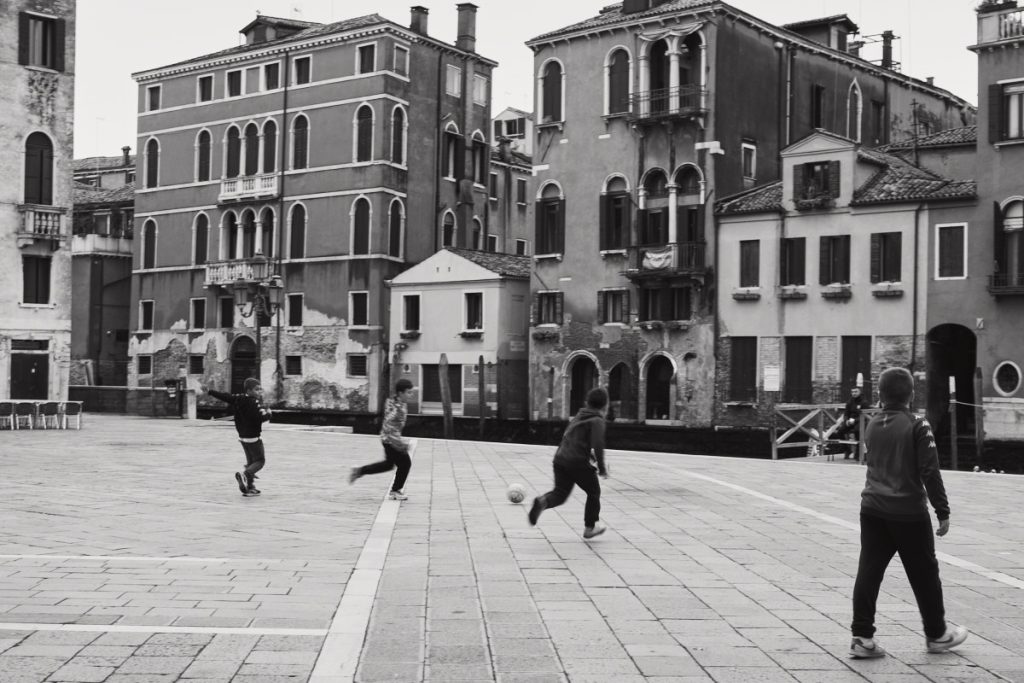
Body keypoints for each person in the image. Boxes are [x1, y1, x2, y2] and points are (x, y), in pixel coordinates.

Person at [849, 367, 968, 659]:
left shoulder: (872, 424)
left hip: (872, 509)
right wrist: (942, 510)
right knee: (925, 574)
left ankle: (862, 637)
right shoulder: (918, 425)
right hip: (908, 513)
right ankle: (937, 634)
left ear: (880, 395)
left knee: (869, 571)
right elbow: (930, 471)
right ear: (912, 395)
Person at [528, 387, 610, 539]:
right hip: (577, 462)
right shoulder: (597, 420)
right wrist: (602, 468)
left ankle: (543, 501)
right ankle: (590, 527)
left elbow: (571, 438)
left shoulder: (579, 416)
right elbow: (598, 444)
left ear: (587, 402)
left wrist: (589, 455)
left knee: (560, 493)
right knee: (594, 492)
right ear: (605, 405)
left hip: (560, 459)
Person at [349, 379, 415, 501]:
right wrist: (401, 445)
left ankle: (359, 471)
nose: (411, 395)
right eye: (409, 392)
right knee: (405, 463)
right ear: (400, 393)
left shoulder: (396, 402)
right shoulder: (397, 409)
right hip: (390, 440)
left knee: (388, 465)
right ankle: (395, 491)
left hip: (388, 438)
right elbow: (389, 427)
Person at [205, 378, 272, 496]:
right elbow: (259, 418)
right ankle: (245, 475)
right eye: (256, 389)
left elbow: (225, 397)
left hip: (242, 437)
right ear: (249, 390)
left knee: (251, 463)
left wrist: (210, 391)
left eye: (260, 389)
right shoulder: (253, 402)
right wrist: (269, 414)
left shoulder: (239, 398)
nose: (259, 392)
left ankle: (250, 487)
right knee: (259, 461)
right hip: (253, 437)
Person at [839, 387, 866, 459]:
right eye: (852, 392)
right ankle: (847, 450)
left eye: (856, 392)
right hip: (850, 422)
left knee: (857, 431)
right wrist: (846, 421)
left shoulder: (864, 402)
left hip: (861, 421)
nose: (854, 393)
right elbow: (846, 413)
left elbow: (866, 415)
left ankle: (858, 452)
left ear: (860, 392)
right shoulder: (849, 402)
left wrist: (855, 420)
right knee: (840, 431)